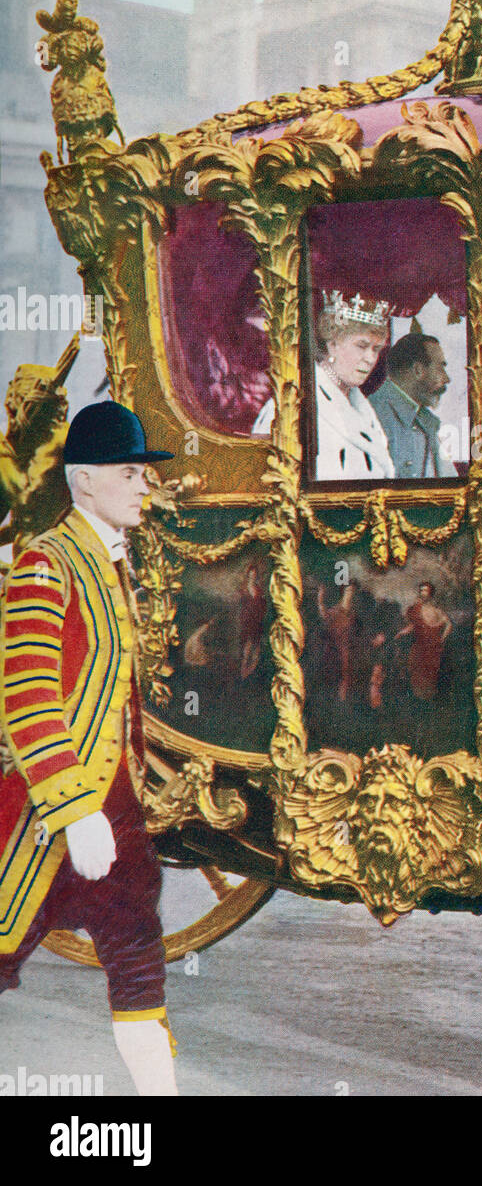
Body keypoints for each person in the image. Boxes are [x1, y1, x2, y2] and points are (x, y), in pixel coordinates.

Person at [0, 400, 178, 1096]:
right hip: (39, 816)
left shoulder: (113, 564)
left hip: (116, 813)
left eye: (144, 474)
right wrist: (75, 810)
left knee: (138, 955)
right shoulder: (47, 564)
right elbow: (28, 699)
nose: (143, 486)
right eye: (129, 473)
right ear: (82, 482)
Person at [252, 290, 394, 481]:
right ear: (332, 343)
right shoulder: (291, 405)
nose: (370, 359)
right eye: (361, 346)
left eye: (376, 349)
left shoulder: (363, 409)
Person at [368, 332, 455, 479]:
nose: (446, 379)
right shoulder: (372, 415)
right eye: (440, 368)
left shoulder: (426, 421)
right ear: (418, 370)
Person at [395, 582, 452, 701]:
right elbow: (413, 625)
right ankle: (418, 699)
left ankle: (429, 699)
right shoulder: (416, 609)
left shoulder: (436, 610)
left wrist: (442, 638)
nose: (423, 593)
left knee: (431, 674)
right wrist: (401, 633)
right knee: (415, 671)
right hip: (419, 647)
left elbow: (448, 624)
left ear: (431, 593)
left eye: (425, 590)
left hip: (433, 648)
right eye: (421, 590)